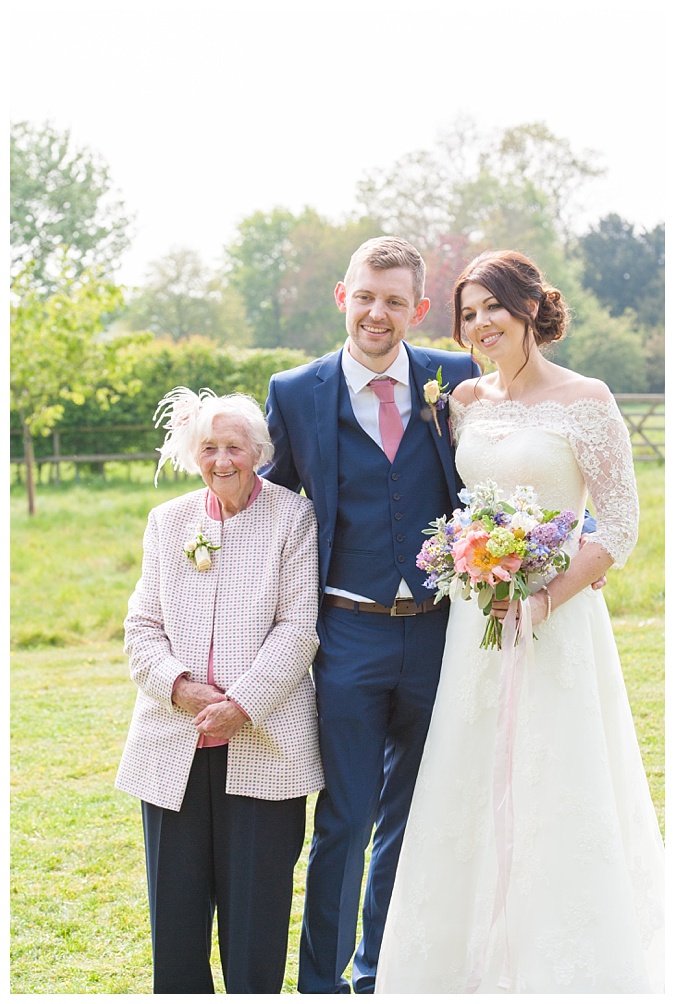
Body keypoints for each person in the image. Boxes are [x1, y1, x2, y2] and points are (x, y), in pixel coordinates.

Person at [375, 250, 665, 993]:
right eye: (466, 314)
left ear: (530, 308)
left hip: (555, 621)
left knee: (556, 777)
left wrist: (544, 595)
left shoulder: (586, 399)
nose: (478, 325)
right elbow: (460, 507)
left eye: (490, 309)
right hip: (475, 630)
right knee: (467, 779)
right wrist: (467, 563)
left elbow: (620, 527)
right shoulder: (465, 400)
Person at [261, 236, 481, 993]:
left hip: (439, 631)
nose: (376, 313)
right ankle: (321, 986)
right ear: (341, 297)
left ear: (418, 309)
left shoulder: (456, 378)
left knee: (410, 819)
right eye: (365, 296)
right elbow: (272, 501)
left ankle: (377, 973)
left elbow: (496, 470)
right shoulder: (293, 391)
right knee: (344, 820)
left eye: (394, 300)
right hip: (345, 633)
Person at [115, 388, 324, 995]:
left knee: (255, 912)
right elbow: (141, 627)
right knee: (175, 916)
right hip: (171, 746)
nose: (222, 460)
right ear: (192, 454)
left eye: (234, 446)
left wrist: (243, 705)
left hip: (263, 746)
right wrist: (178, 688)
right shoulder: (169, 521)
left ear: (258, 451)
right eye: (209, 447)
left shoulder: (293, 517)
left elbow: (298, 626)